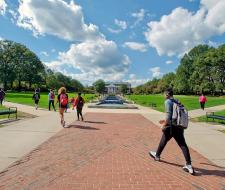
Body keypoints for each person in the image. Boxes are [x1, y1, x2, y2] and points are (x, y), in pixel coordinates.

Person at [149, 88, 194, 175]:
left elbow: (169, 116)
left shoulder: (168, 102)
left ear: (167, 94)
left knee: (164, 140)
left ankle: (157, 156)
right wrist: (164, 121)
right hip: (179, 126)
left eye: (164, 94)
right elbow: (176, 115)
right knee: (182, 144)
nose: (163, 96)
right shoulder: (177, 101)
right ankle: (189, 165)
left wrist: (164, 125)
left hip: (171, 126)